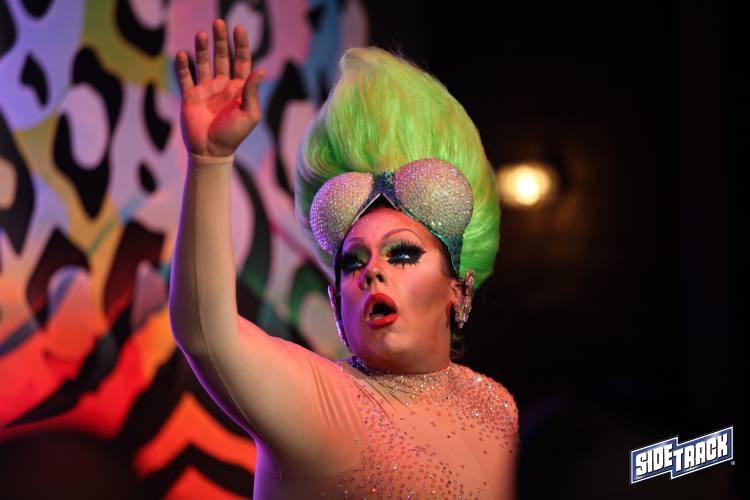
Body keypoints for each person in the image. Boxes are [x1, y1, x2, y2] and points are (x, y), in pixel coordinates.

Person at [169, 19, 519, 499]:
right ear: (336, 303)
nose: (372, 271)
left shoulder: (497, 407)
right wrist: (210, 161)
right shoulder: (323, 404)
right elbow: (207, 335)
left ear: (458, 291)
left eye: (403, 253)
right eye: (354, 261)